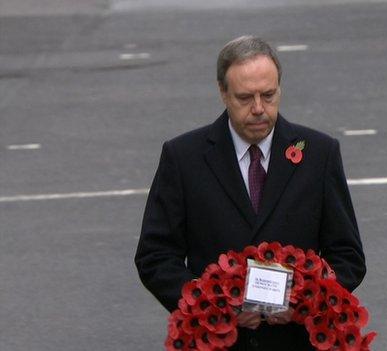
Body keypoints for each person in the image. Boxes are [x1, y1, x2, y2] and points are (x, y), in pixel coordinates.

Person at [135, 35, 366, 350]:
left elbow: (348, 256)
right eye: (245, 97)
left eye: (268, 95)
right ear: (223, 93)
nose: (259, 108)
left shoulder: (319, 153)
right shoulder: (183, 157)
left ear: (279, 89)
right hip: (218, 341)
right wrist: (212, 306)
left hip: (297, 341)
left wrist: (306, 303)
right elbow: (156, 256)